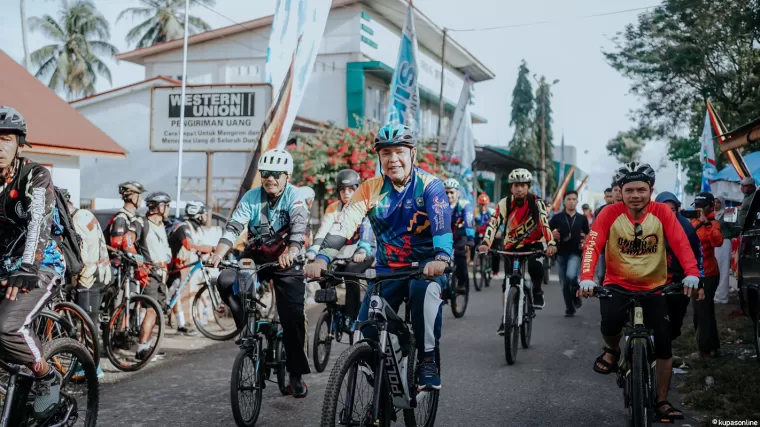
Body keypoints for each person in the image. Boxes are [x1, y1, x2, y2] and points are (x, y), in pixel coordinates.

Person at [304, 124, 452, 391]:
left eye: (399, 151)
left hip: (424, 269)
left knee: (425, 294)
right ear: (379, 157)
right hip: (387, 271)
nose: (392, 159)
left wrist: (441, 257)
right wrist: (323, 258)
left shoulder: (430, 186)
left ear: (412, 154)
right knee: (363, 336)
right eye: (385, 153)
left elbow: (442, 228)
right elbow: (344, 225)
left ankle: (428, 360)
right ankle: (386, 375)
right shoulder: (370, 189)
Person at [577, 161, 700, 421]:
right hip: (616, 285)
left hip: (655, 288)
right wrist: (587, 277)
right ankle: (613, 351)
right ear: (620, 191)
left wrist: (692, 272)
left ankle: (662, 400)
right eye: (629, 190)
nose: (635, 195)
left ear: (650, 190)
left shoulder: (662, 213)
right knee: (610, 323)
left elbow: (680, 243)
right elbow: (592, 246)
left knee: (665, 344)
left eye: (641, 190)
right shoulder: (609, 213)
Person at [211, 148, 311, 398]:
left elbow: (299, 228)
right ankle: (247, 328)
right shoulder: (251, 197)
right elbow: (234, 226)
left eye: (276, 174)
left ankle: (296, 375)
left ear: (287, 175)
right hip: (256, 259)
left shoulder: (295, 197)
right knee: (225, 280)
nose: (270, 179)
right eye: (266, 173)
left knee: (293, 319)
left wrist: (293, 249)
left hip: (288, 262)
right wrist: (219, 252)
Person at [0, 106, 64, 418]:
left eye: (6, 139)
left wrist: (27, 266)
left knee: (7, 328)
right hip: (4, 267)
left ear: (18, 144)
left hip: (41, 263)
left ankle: (45, 375)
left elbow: (39, 220)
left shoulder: (34, 175)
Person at [477, 168, 557, 334]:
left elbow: (544, 223)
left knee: (536, 267)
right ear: (511, 187)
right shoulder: (505, 203)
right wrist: (486, 242)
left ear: (528, 187)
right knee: (507, 283)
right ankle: (506, 318)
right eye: (515, 185)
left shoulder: (537, 202)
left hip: (534, 244)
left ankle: (537, 290)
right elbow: (493, 223)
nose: (519, 189)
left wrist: (550, 243)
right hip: (511, 246)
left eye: (522, 185)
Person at [306, 169, 376, 326]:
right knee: (323, 275)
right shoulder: (333, 208)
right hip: (339, 254)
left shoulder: (364, 206)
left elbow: (367, 229)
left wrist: (363, 249)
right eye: (343, 189)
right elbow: (324, 231)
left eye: (351, 189)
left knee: (351, 273)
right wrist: (313, 250)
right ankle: (333, 309)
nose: (347, 193)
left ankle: (352, 316)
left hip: (363, 254)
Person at [61, 187, 110, 378]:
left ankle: (92, 367)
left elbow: (80, 256)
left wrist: (72, 274)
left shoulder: (76, 221)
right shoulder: (85, 213)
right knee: (90, 321)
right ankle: (90, 364)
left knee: (87, 322)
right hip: (101, 272)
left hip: (89, 277)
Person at [655, 191, 704, 341]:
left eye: (672, 210)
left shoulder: (687, 229)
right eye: (663, 209)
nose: (668, 213)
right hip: (652, 280)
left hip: (678, 281)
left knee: (674, 325)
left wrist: (699, 283)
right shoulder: (647, 224)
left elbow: (696, 257)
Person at [167, 201, 214, 335]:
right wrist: (210, 248)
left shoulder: (193, 228)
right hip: (167, 266)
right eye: (204, 214)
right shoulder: (184, 227)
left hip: (174, 267)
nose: (205, 217)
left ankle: (181, 324)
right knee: (168, 295)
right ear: (197, 214)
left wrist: (204, 251)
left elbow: (196, 245)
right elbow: (189, 245)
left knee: (174, 294)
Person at [689, 192, 723, 359]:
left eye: (703, 206)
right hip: (696, 272)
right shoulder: (693, 221)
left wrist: (707, 223)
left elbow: (717, 242)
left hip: (708, 273)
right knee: (704, 311)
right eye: (697, 206)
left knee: (702, 311)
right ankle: (712, 348)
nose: (699, 209)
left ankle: (704, 350)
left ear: (711, 206)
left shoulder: (712, 222)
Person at [140, 192, 173, 355]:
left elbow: (165, 248)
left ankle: (148, 345)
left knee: (158, 310)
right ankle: (142, 347)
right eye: (167, 205)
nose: (168, 209)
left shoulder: (161, 225)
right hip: (150, 272)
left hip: (161, 273)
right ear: (159, 206)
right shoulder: (143, 224)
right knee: (150, 310)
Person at [549, 190, 589, 317]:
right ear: (564, 201)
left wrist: (585, 244)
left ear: (577, 201)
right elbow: (547, 231)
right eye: (569, 199)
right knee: (564, 284)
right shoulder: (557, 217)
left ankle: (576, 294)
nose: (571, 201)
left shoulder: (582, 218)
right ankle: (569, 308)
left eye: (574, 199)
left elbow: (588, 234)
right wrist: (552, 235)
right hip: (560, 253)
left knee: (571, 276)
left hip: (575, 253)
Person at [443, 178, 475, 293]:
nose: (449, 195)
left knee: (459, 255)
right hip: (445, 236)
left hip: (460, 236)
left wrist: (470, 240)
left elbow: (469, 223)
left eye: (451, 192)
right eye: (446, 192)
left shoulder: (464, 205)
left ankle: (462, 283)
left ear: (457, 193)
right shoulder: (439, 204)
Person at [714, 196, 738, 303]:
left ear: (722, 203)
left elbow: (735, 229)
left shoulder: (729, 212)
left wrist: (726, 236)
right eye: (714, 202)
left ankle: (722, 297)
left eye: (718, 202)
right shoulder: (711, 214)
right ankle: (714, 295)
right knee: (714, 269)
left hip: (724, 243)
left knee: (723, 270)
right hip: (713, 244)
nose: (716, 204)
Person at [474, 193, 501, 279]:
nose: (483, 207)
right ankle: (475, 259)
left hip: (491, 234)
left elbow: (499, 223)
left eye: (484, 205)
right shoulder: (475, 212)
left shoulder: (492, 211)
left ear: (488, 204)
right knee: (472, 242)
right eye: (481, 205)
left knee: (495, 251)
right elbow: (471, 222)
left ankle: (495, 270)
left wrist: (499, 231)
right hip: (480, 233)